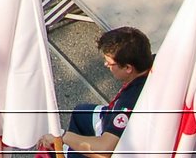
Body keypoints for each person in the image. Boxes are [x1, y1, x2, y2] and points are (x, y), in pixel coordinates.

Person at [37, 28, 154, 156]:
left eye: (110, 63)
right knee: (81, 112)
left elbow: (105, 150)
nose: (106, 65)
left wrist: (62, 136)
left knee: (52, 150)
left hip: (122, 144)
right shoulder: (153, 64)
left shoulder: (128, 103)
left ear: (128, 68)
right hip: (111, 116)